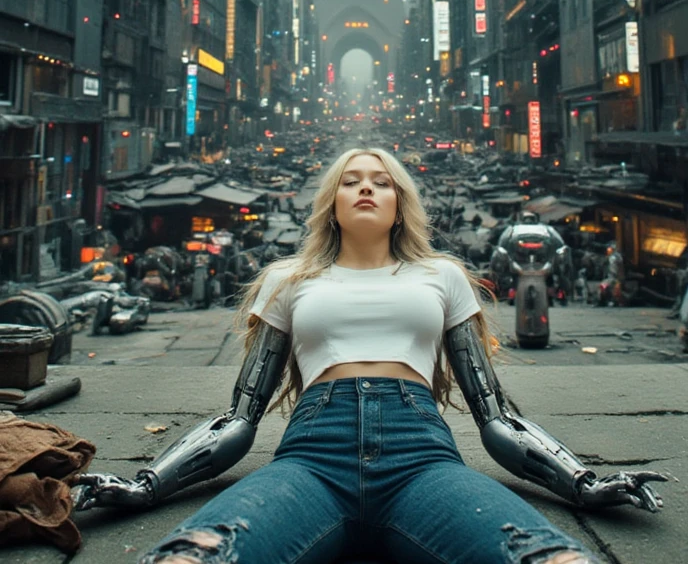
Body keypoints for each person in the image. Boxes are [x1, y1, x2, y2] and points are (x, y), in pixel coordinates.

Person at [72, 149, 666, 564]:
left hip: (424, 461)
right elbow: (238, 418)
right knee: (192, 554)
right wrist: (148, 485)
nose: (365, 187)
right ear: (331, 202)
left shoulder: (443, 276)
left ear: (400, 202)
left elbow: (498, 416)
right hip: (310, 461)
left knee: (552, 556)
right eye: (351, 180)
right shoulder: (286, 280)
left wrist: (582, 482)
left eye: (381, 181)